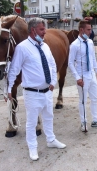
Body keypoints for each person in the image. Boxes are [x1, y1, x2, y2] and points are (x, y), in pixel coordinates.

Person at [7, 17, 66, 161]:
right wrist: (9, 88)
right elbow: (14, 70)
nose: (45, 32)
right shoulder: (22, 48)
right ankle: (32, 148)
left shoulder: (45, 46)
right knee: (32, 122)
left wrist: (53, 81)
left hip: (47, 90)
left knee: (48, 117)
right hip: (32, 93)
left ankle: (51, 140)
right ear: (33, 30)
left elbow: (52, 64)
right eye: (42, 29)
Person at [68, 20, 97, 132]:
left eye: (91, 29)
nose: (90, 32)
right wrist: (77, 77)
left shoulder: (90, 42)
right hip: (82, 75)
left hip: (91, 74)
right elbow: (70, 63)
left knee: (94, 98)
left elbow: (93, 57)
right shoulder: (74, 45)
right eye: (88, 29)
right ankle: (83, 122)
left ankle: (95, 120)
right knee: (83, 100)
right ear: (81, 30)